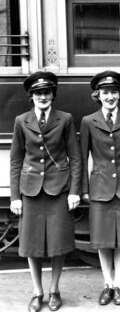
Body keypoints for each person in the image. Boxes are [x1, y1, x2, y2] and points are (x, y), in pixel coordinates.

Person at [10, 72, 82, 312]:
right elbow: (16, 160)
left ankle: (54, 290)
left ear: (53, 95)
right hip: (30, 190)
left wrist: (74, 191)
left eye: (47, 92)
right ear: (31, 96)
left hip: (58, 189)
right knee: (32, 243)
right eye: (38, 93)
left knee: (57, 243)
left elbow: (75, 157)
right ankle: (37, 291)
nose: (43, 97)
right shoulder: (22, 121)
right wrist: (14, 196)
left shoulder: (66, 119)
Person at [80, 70, 120, 306]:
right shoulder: (88, 121)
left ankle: (118, 284)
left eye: (114, 92)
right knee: (103, 239)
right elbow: (81, 155)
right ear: (97, 95)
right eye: (106, 92)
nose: (110, 97)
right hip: (100, 187)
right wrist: (84, 188)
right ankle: (106, 283)